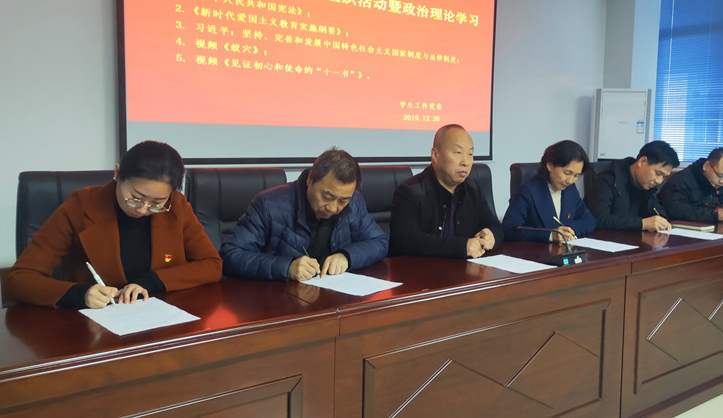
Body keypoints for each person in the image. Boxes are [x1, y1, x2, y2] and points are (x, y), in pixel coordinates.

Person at [3, 141, 222, 309]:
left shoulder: (177, 206)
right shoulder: (80, 206)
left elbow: (211, 264)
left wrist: (153, 281)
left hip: (162, 319)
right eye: (135, 198)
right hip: (95, 328)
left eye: (157, 203)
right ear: (117, 173)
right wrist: (79, 294)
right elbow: (19, 280)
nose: (143, 209)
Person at [220, 148, 388, 282]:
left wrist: (347, 256)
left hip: (334, 297)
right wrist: (287, 267)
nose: (332, 208)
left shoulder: (354, 202)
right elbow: (231, 255)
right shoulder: (269, 204)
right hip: (281, 300)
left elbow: (379, 241)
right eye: (326, 197)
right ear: (310, 180)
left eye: (343, 200)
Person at [390, 124, 502, 258]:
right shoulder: (410, 191)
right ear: (435, 155)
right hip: (423, 269)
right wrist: (461, 246)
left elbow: (495, 225)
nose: (465, 162)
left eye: (470, 154)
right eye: (458, 153)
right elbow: (406, 240)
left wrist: (491, 236)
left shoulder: (472, 189)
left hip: (466, 269)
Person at [503, 140, 596, 243]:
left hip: (565, 249)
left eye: (576, 175)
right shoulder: (527, 191)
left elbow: (589, 221)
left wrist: (567, 230)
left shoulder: (570, 189)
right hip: (536, 251)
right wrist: (550, 235)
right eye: (567, 173)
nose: (570, 181)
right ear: (550, 165)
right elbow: (509, 229)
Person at [584, 140, 679, 231]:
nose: (659, 181)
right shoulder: (608, 178)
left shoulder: (646, 185)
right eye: (658, 173)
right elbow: (598, 219)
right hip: (604, 239)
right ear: (642, 161)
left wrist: (662, 221)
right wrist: (642, 224)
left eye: (664, 177)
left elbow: (656, 211)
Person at [659, 147, 723, 223]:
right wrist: (714, 214)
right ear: (706, 166)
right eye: (720, 175)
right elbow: (674, 210)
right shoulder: (681, 180)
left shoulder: (720, 183)